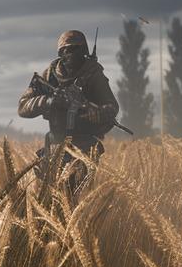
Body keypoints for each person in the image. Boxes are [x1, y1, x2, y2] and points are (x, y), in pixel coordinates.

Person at [18, 30, 121, 188]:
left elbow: (112, 107)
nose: (68, 54)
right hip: (55, 143)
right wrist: (49, 101)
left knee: (78, 193)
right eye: (64, 50)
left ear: (83, 51)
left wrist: (98, 113)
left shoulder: (93, 74)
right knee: (47, 195)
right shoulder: (49, 75)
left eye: (73, 49)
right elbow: (23, 106)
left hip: (85, 144)